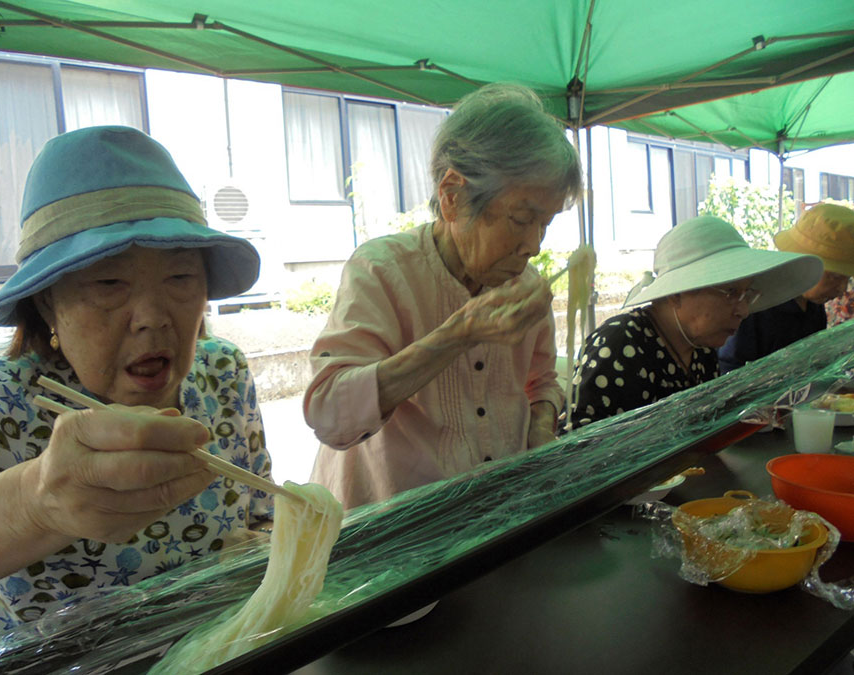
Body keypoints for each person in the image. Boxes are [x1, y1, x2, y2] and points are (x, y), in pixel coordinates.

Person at [0, 126, 275, 637]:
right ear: (46, 303)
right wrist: (35, 501)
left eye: (180, 278)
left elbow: (263, 517)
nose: (152, 317)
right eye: (108, 282)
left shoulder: (222, 377)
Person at [303, 83, 583, 509]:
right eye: (522, 219)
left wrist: (541, 426)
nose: (534, 245)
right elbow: (328, 415)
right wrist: (458, 333)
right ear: (452, 196)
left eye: (545, 223)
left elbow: (540, 381)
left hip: (495, 516)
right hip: (389, 533)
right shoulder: (382, 271)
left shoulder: (523, 286)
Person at [569, 215, 823, 428]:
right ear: (677, 294)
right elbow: (578, 447)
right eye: (731, 292)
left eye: (747, 294)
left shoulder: (700, 348)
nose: (744, 311)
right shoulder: (620, 345)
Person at [719, 202, 854, 373]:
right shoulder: (755, 305)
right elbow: (729, 372)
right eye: (835, 277)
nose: (842, 289)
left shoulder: (814, 308)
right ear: (802, 262)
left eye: (847, 279)